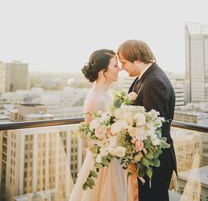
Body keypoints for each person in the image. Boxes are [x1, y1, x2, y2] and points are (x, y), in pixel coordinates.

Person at [117, 40, 177, 201]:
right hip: (145, 157)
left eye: (123, 62)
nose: (122, 67)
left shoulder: (155, 82)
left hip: (155, 160)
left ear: (136, 58)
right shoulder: (142, 78)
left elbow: (154, 127)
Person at [69, 49, 128, 201]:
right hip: (104, 163)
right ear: (103, 72)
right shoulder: (95, 99)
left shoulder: (107, 94)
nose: (120, 69)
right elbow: (90, 141)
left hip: (115, 156)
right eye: (115, 66)